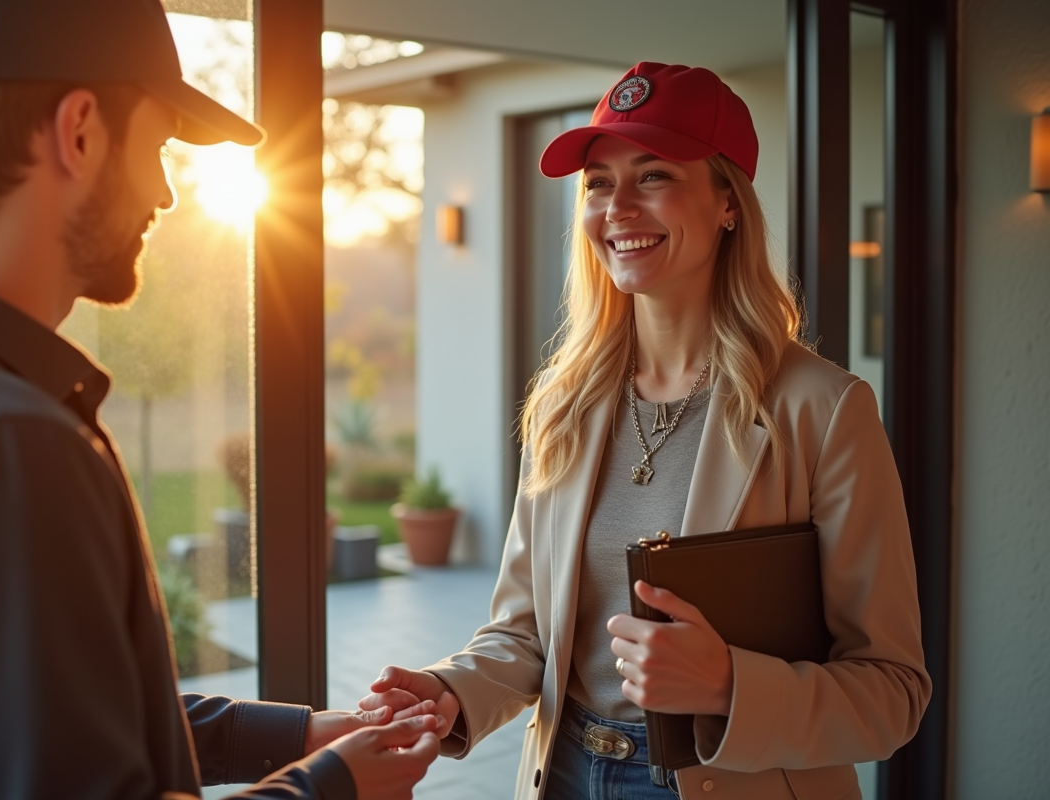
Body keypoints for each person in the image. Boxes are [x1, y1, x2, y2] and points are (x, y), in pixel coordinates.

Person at [0, 1, 441, 798]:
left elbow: (54, 723)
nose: (165, 194)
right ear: (81, 131)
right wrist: (333, 789)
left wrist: (301, 736)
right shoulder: (2, 443)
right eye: (160, 144)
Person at [360, 62, 931, 799]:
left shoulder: (823, 410)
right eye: (599, 183)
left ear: (728, 201)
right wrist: (449, 690)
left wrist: (729, 684)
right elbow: (527, 633)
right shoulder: (566, 402)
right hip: (564, 773)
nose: (617, 207)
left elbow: (892, 693)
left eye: (654, 175)